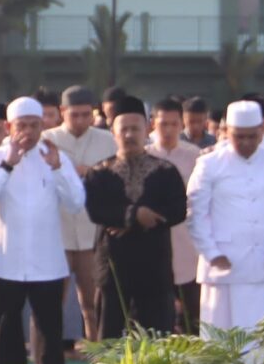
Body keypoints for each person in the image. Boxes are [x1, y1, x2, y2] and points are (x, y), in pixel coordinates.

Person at [0, 96, 84, 364]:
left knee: (49, 329)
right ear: (10, 126)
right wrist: (7, 166)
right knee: (5, 328)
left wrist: (58, 169)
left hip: (46, 261)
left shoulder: (56, 158)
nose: (29, 132)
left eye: (35, 125)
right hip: (4, 259)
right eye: (22, 125)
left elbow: (76, 203)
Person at [186, 100, 264, 347]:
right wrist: (211, 252)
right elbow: (196, 214)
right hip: (224, 265)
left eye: (252, 136)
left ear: (263, 129)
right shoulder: (209, 163)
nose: (246, 143)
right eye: (239, 137)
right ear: (227, 131)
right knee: (222, 341)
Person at [81, 96, 189, 336]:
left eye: (135, 129)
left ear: (147, 129)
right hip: (113, 265)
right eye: (124, 129)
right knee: (109, 333)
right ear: (113, 132)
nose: (129, 135)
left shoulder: (165, 171)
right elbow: (95, 209)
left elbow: (178, 209)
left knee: (155, 333)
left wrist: (135, 219)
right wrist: (133, 215)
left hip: (154, 264)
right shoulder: (100, 172)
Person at [44, 87, 116, 341]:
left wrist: (91, 172)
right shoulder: (46, 140)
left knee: (93, 304)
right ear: (63, 112)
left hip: (91, 234)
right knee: (52, 303)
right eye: (74, 115)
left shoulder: (108, 140)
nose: (81, 121)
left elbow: (114, 181)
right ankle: (50, 360)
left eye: (86, 115)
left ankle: (97, 359)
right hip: (57, 235)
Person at [148, 98, 203, 330]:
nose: (168, 130)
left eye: (173, 124)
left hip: (188, 240)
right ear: (153, 124)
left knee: (192, 311)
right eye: (163, 124)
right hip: (153, 240)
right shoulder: (144, 155)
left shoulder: (196, 156)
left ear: (182, 125)